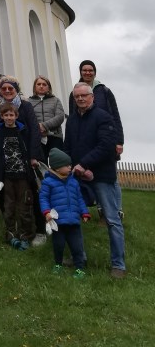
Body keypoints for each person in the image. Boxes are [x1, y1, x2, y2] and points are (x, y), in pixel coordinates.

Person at [64, 83, 126, 278]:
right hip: (78, 177)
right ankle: (78, 257)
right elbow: (68, 146)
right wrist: (66, 165)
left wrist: (85, 164)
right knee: (74, 218)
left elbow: (106, 145)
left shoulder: (103, 117)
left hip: (102, 176)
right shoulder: (72, 120)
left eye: (84, 95)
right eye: (77, 97)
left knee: (112, 220)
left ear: (92, 97)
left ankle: (118, 265)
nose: (80, 99)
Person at [0, 102, 36, 250]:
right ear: (1, 116)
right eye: (6, 115)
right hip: (7, 176)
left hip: (23, 174)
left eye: (12, 115)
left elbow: (29, 148)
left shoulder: (23, 129)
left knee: (24, 206)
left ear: (16, 116)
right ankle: (11, 233)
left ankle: (25, 235)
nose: (9, 118)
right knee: (8, 206)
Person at [39, 148, 90, 279]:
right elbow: (43, 198)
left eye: (70, 165)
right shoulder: (48, 182)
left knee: (77, 247)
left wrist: (84, 213)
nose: (70, 167)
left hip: (73, 222)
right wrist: (46, 212)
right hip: (58, 222)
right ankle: (58, 264)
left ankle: (79, 268)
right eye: (67, 165)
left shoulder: (73, 182)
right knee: (58, 245)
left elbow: (79, 199)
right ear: (57, 167)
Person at [28, 76, 65, 163]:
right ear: (34, 87)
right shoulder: (28, 101)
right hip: (37, 138)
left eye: (44, 84)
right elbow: (28, 119)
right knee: (41, 165)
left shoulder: (56, 100)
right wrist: (38, 129)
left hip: (55, 136)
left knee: (58, 164)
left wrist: (44, 126)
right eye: (39, 84)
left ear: (48, 87)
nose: (41, 86)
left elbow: (60, 117)